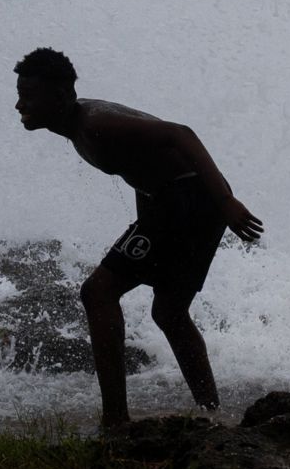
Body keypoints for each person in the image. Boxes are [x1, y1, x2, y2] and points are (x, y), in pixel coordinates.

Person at [13, 46, 263, 427]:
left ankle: (116, 421)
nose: (19, 105)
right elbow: (143, 167)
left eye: (28, 96)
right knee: (169, 312)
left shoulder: (96, 125)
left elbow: (181, 135)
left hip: (190, 200)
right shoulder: (82, 125)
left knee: (98, 292)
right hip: (181, 202)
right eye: (19, 94)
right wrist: (147, 217)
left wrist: (227, 201)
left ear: (60, 97)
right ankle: (212, 413)